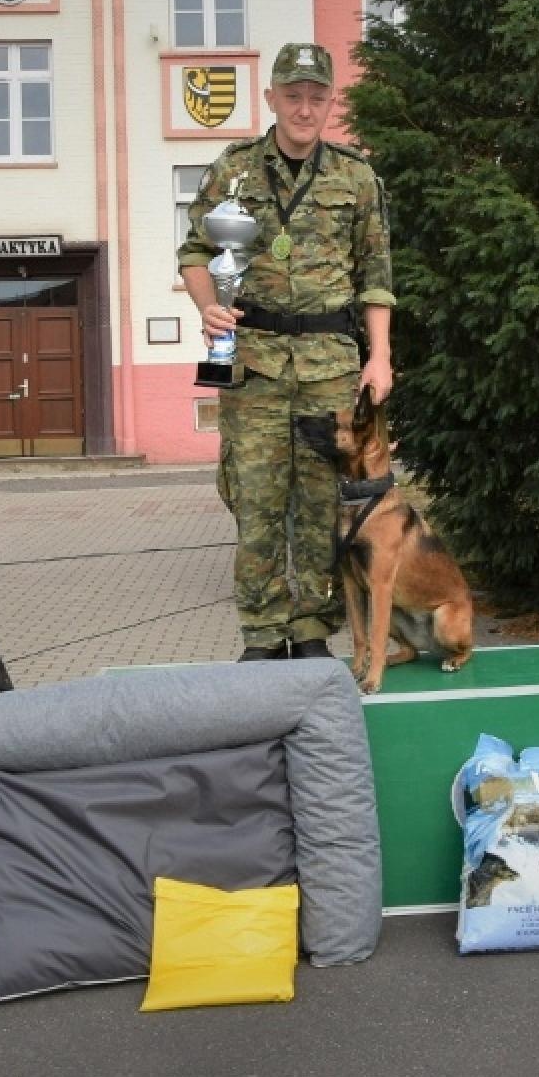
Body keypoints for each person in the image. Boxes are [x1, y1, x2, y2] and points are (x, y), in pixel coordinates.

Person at [178, 43, 394, 661]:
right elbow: (196, 253)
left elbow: (375, 275)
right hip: (254, 358)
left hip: (331, 363)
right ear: (271, 98)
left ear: (330, 102)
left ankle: (312, 629)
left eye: (316, 97)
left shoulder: (357, 177)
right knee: (256, 498)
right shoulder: (233, 169)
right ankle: (263, 634)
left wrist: (378, 357)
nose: (304, 107)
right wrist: (207, 306)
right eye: (292, 95)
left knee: (324, 499)